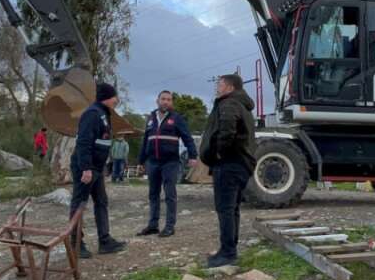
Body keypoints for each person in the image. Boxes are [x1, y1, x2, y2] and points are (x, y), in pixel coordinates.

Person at [199, 74, 256, 268]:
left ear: (230, 87)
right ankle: (229, 249)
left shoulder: (230, 104)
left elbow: (227, 131)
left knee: (225, 208)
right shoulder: (242, 105)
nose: (217, 88)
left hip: (230, 164)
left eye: (220, 85)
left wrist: (218, 154)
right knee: (232, 209)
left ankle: (228, 253)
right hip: (240, 164)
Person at [70, 82, 128, 259]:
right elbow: (84, 142)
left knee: (101, 201)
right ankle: (75, 244)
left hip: (97, 168)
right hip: (86, 168)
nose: (117, 100)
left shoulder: (104, 114)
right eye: (114, 97)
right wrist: (86, 168)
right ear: (107, 98)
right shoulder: (92, 114)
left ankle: (105, 241)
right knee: (79, 203)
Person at [136, 90, 199, 238]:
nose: (166, 102)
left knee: (170, 195)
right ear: (157, 101)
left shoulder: (177, 118)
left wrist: (193, 155)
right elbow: (146, 140)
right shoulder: (151, 119)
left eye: (169, 100)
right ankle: (153, 225)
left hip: (170, 163)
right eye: (163, 99)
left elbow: (187, 138)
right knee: (153, 194)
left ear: (172, 103)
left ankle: (170, 226)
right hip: (152, 162)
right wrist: (140, 161)